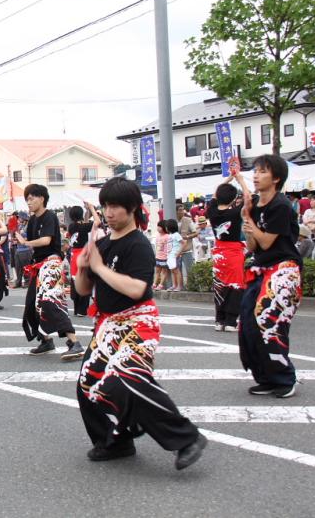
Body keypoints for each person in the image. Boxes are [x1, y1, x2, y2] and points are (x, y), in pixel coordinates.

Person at [74, 176, 207, 469]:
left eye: (115, 206)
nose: (109, 213)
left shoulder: (139, 245)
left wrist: (99, 267)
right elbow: (83, 290)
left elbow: (137, 289)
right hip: (107, 324)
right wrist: (83, 268)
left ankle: (187, 438)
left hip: (137, 321)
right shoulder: (103, 244)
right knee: (88, 383)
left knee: (126, 377)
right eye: (105, 206)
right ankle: (115, 441)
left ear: (132, 208)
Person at [239, 154, 302, 398]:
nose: (256, 176)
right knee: (248, 323)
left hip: (284, 269)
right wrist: (247, 218)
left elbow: (267, 241)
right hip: (261, 268)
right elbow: (254, 246)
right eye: (255, 171)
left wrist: (250, 222)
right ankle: (265, 377)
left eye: (262, 171)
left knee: (268, 320)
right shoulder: (255, 205)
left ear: (276, 178)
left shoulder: (281, 206)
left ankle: (284, 378)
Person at [15, 184, 84, 360]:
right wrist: (24, 241)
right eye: (27, 199)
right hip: (38, 265)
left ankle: (74, 342)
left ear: (42, 198)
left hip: (51, 263)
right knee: (31, 304)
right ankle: (46, 340)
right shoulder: (32, 220)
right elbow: (34, 242)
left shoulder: (50, 216)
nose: (29, 202)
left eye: (31, 198)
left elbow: (46, 240)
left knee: (51, 301)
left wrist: (25, 242)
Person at [205, 174, 247, 332]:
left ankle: (219, 320)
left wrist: (229, 178)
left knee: (220, 285)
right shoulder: (235, 213)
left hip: (219, 252)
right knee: (235, 285)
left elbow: (215, 194)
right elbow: (249, 198)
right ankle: (230, 321)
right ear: (233, 199)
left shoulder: (212, 212)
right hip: (233, 252)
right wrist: (240, 180)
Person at [67, 203, 99, 317]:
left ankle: (77, 308)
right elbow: (97, 222)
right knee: (84, 279)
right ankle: (82, 309)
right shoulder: (85, 226)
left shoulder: (71, 227)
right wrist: (91, 208)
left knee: (75, 280)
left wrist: (87, 212)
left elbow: (82, 223)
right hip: (83, 255)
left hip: (73, 255)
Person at [176, 204, 197, 283]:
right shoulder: (173, 220)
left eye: (183, 210)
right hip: (176, 251)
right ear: (176, 211)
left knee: (190, 270)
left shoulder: (188, 220)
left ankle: (191, 286)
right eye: (180, 210)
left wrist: (187, 236)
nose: (182, 212)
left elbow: (195, 233)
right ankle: (180, 286)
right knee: (177, 271)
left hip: (186, 250)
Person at [13, 213, 32, 289]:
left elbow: (30, 237)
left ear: (24, 218)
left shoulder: (29, 227)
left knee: (26, 267)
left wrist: (20, 239)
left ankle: (27, 282)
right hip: (18, 249)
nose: (18, 219)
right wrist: (16, 239)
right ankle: (18, 282)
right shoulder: (20, 226)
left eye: (20, 217)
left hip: (26, 249)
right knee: (18, 267)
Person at [165, 219, 183, 292]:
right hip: (170, 256)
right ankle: (174, 285)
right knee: (172, 270)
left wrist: (179, 252)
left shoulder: (176, 235)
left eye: (166, 226)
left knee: (177, 271)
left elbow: (183, 243)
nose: (166, 228)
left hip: (175, 255)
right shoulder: (170, 235)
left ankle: (179, 286)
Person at [153, 220, 170, 290]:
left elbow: (168, 247)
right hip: (158, 257)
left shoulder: (167, 236)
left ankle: (161, 285)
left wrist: (167, 256)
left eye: (159, 227)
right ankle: (154, 284)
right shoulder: (157, 236)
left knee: (164, 272)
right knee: (157, 271)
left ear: (164, 227)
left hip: (165, 257)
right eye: (157, 226)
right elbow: (156, 246)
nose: (158, 228)